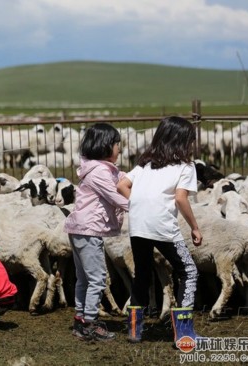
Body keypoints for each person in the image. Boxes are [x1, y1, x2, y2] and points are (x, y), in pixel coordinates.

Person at [117, 116, 202, 344]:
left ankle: (135, 331)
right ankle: (184, 333)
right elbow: (181, 199)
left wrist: (137, 203)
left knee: (142, 274)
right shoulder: (185, 166)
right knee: (189, 271)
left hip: (138, 225)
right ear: (183, 141)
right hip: (163, 226)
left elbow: (121, 184)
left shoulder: (145, 164)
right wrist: (195, 227)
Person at [64, 123, 129, 342]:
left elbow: (118, 179)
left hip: (80, 228)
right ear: (105, 146)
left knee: (84, 278)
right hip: (89, 230)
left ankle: (81, 319)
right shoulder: (100, 171)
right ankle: (90, 323)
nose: (119, 149)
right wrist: (138, 205)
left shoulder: (94, 168)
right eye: (116, 144)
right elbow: (114, 196)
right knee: (98, 278)